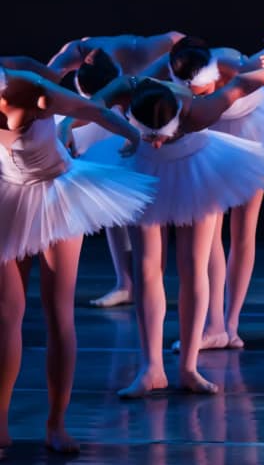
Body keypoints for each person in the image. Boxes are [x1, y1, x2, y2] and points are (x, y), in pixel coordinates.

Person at [80, 55, 264, 398]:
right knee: (146, 269)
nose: (157, 141)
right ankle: (151, 368)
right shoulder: (127, 89)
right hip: (142, 169)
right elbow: (94, 106)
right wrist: (68, 127)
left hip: (195, 168)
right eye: (149, 135)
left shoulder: (201, 109)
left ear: (179, 117)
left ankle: (188, 367)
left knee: (193, 266)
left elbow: (249, 81)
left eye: (161, 135)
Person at [148, 29, 264, 351]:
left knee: (243, 228)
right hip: (212, 135)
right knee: (209, 229)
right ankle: (214, 324)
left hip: (251, 132)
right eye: (188, 89)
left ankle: (231, 323)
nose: (196, 93)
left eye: (200, 87)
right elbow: (135, 84)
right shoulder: (171, 70)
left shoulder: (236, 66)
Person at [0, 65, 153, 452]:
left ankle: (56, 423)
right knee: (6, 314)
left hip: (57, 194)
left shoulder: (33, 93)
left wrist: (133, 133)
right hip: (9, 197)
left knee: (58, 311)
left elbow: (94, 111)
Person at [48, 31, 185, 308]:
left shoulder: (147, 50)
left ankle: (151, 277)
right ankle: (125, 283)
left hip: (146, 116)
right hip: (99, 116)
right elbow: (43, 81)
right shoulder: (75, 49)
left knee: (147, 203)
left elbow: (179, 40)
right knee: (110, 191)